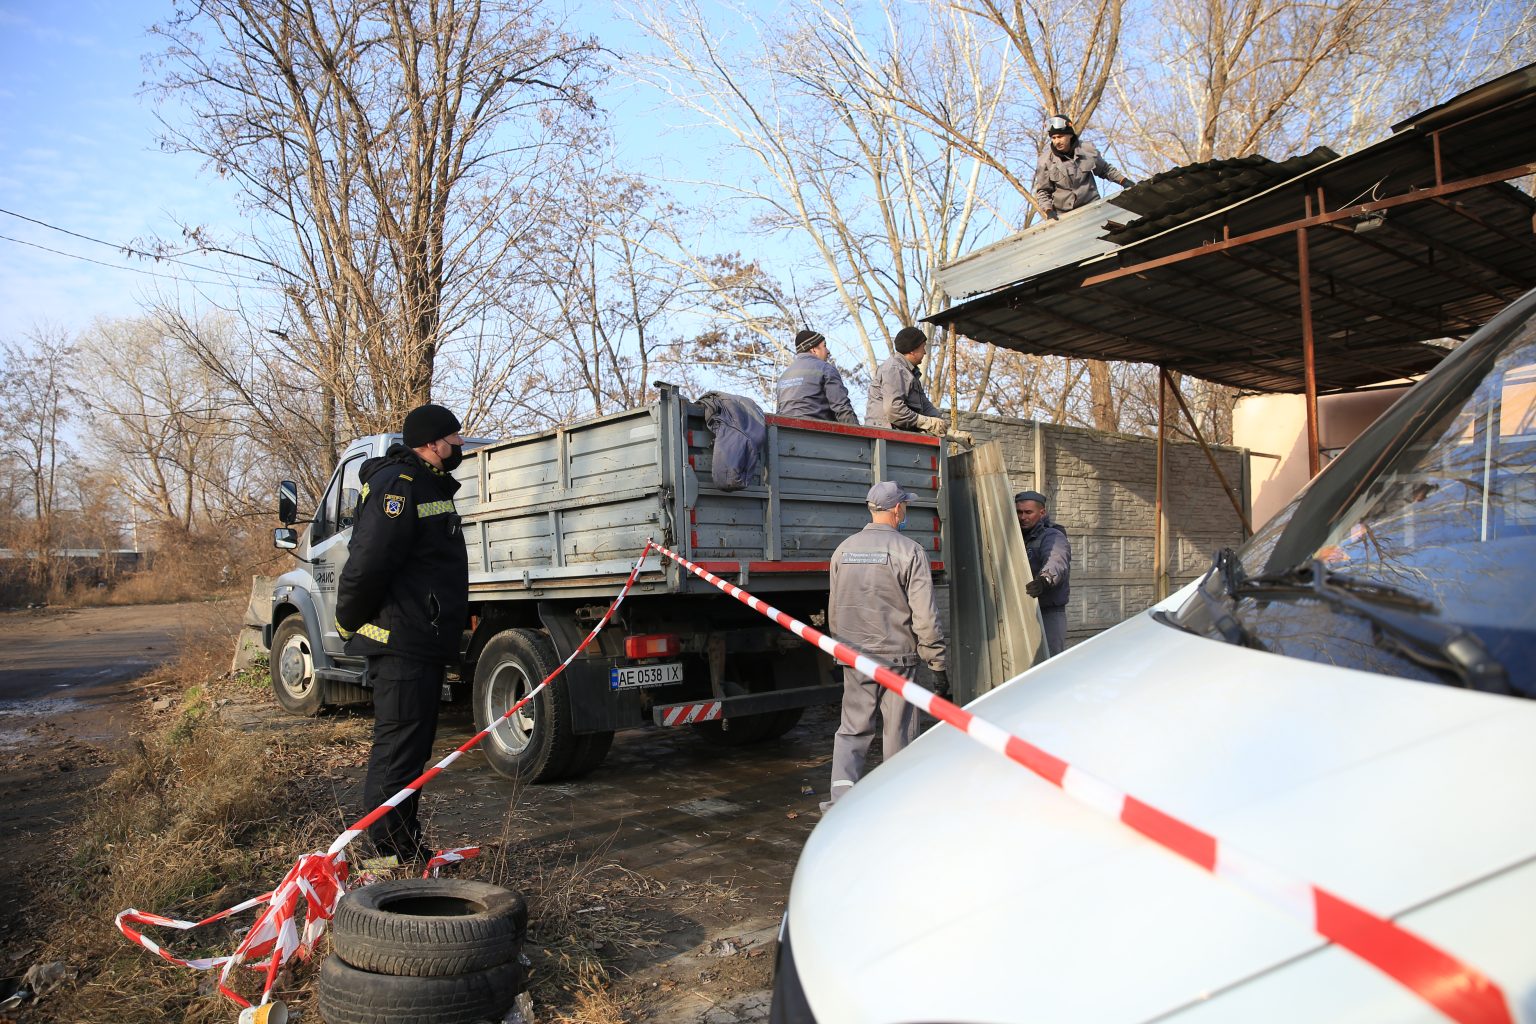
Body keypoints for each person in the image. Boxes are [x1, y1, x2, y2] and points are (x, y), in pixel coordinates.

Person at [336, 402, 469, 864]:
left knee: (410, 755)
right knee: (397, 753)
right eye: (454, 440)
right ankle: (387, 857)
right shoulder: (398, 485)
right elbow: (369, 562)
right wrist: (346, 619)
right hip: (403, 643)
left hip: (422, 641)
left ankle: (404, 848)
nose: (459, 447)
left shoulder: (427, 482)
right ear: (431, 443)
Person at [824, 481, 948, 810]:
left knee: (852, 729)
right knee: (899, 735)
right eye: (904, 505)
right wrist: (937, 662)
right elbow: (925, 616)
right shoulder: (910, 551)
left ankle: (840, 802)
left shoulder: (843, 550)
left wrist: (843, 648)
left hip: (855, 656)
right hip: (898, 659)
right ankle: (897, 805)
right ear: (897, 509)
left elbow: (834, 610)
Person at [866, 326, 973, 444]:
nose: (925, 352)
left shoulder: (909, 372)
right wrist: (926, 422)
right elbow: (893, 409)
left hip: (896, 436)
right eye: (923, 348)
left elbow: (925, 406)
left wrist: (950, 431)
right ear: (912, 351)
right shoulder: (894, 369)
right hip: (884, 437)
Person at [1032, 114, 1134, 221]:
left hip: (1093, 208)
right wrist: (1049, 211)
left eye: (1060, 137)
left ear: (1070, 135)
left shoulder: (1086, 150)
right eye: (1054, 138)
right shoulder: (1045, 161)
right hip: (1064, 215)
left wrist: (1124, 182)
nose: (1057, 141)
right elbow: (1043, 191)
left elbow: (1105, 170)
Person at [1015, 489, 1072, 657]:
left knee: (1050, 662)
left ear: (1042, 512)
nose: (1023, 517)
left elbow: (1056, 561)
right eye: (1019, 512)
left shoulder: (1053, 536)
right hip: (1023, 612)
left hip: (1049, 613)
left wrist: (1044, 580)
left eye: (1028, 512)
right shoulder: (1016, 537)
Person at [776, 328, 859, 424]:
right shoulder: (825, 369)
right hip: (818, 434)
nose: (828, 351)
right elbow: (842, 408)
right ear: (814, 350)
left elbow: (779, 413)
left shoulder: (784, 376)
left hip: (785, 434)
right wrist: (858, 435)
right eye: (824, 346)